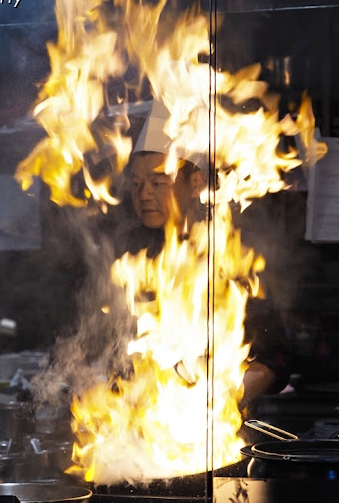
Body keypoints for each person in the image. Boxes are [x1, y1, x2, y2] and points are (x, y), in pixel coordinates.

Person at [118, 99, 289, 412]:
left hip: (209, 428)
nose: (144, 194)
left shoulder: (232, 252)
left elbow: (273, 360)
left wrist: (205, 408)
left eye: (158, 182)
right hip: (135, 431)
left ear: (195, 183)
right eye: (136, 184)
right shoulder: (127, 258)